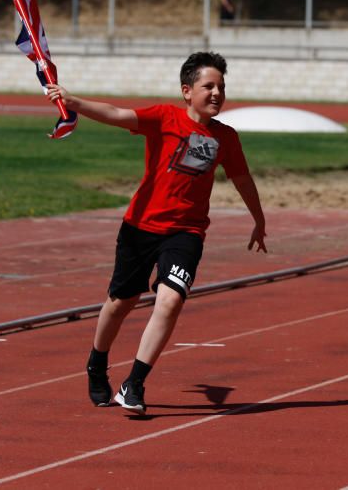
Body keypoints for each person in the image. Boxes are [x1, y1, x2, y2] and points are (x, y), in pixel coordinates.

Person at [45, 52, 267, 415]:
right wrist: (74, 102)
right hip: (140, 227)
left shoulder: (226, 137)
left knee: (170, 300)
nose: (216, 93)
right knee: (121, 303)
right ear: (187, 90)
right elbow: (117, 115)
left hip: (186, 233)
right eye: (208, 86)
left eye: (221, 87)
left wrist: (258, 220)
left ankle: (134, 383)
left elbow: (242, 179)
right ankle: (97, 364)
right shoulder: (164, 118)